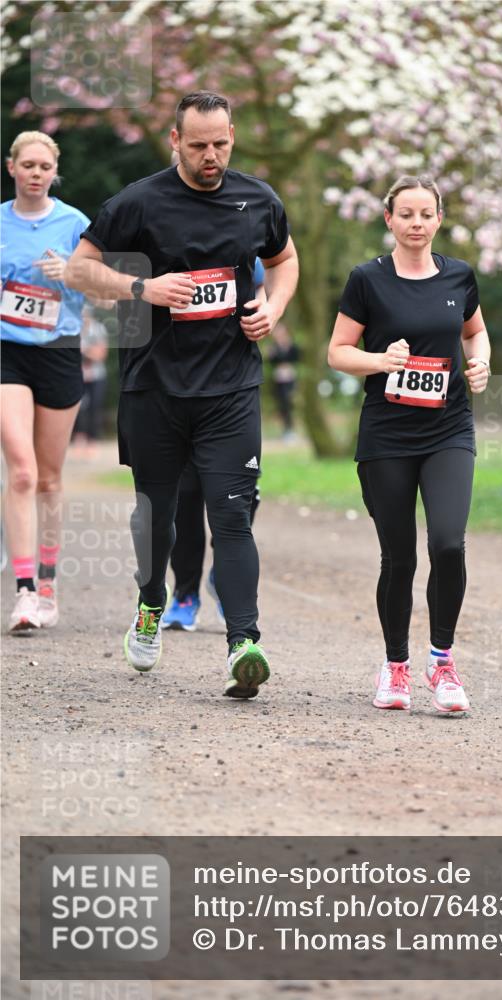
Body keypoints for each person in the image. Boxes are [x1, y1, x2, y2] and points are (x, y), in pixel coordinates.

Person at [65, 91, 299, 698]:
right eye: (197, 145)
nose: (210, 155)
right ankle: (151, 602)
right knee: (157, 516)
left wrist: (271, 308)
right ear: (175, 141)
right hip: (154, 388)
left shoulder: (257, 199)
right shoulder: (139, 202)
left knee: (232, 513)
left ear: (232, 135)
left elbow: (285, 259)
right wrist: (142, 288)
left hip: (231, 388)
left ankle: (243, 643)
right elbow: (78, 270)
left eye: (220, 143)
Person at [327, 174, 490, 714]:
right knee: (399, 557)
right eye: (407, 214)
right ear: (389, 219)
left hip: (447, 429)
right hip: (388, 435)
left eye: (426, 214)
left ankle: (441, 661)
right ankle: (395, 665)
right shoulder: (366, 280)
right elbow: (337, 352)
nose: (417, 223)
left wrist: (482, 361)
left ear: (439, 219)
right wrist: (380, 361)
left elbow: (473, 331)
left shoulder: (460, 275)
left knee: (448, 542)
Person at [1, 131, 90, 633]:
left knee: (50, 478)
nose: (35, 173)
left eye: (44, 166)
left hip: (57, 351)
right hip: (6, 352)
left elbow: (105, 291)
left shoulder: (75, 224)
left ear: (54, 172)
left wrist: (72, 273)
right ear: (11, 167)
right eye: (27, 165)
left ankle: (50, 582)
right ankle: (24, 591)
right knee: (20, 471)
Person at [162, 258, 265, 632]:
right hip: (175, 390)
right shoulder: (159, 230)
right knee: (185, 499)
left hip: (231, 389)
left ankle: (226, 581)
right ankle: (185, 593)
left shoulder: (241, 222)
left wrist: (265, 310)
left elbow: (263, 285)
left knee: (235, 501)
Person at [71, 304, 109, 459]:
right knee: (77, 409)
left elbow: (100, 354)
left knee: (94, 409)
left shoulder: (98, 329)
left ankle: (93, 442)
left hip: (96, 375)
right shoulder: (73, 329)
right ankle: (79, 441)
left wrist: (84, 352)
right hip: (77, 375)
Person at [267, 321, 299, 441]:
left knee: (289, 403)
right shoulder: (274, 347)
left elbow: (296, 358)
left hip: (290, 378)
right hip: (279, 379)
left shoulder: (291, 346)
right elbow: (272, 362)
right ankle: (286, 430)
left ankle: (291, 429)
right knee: (282, 405)